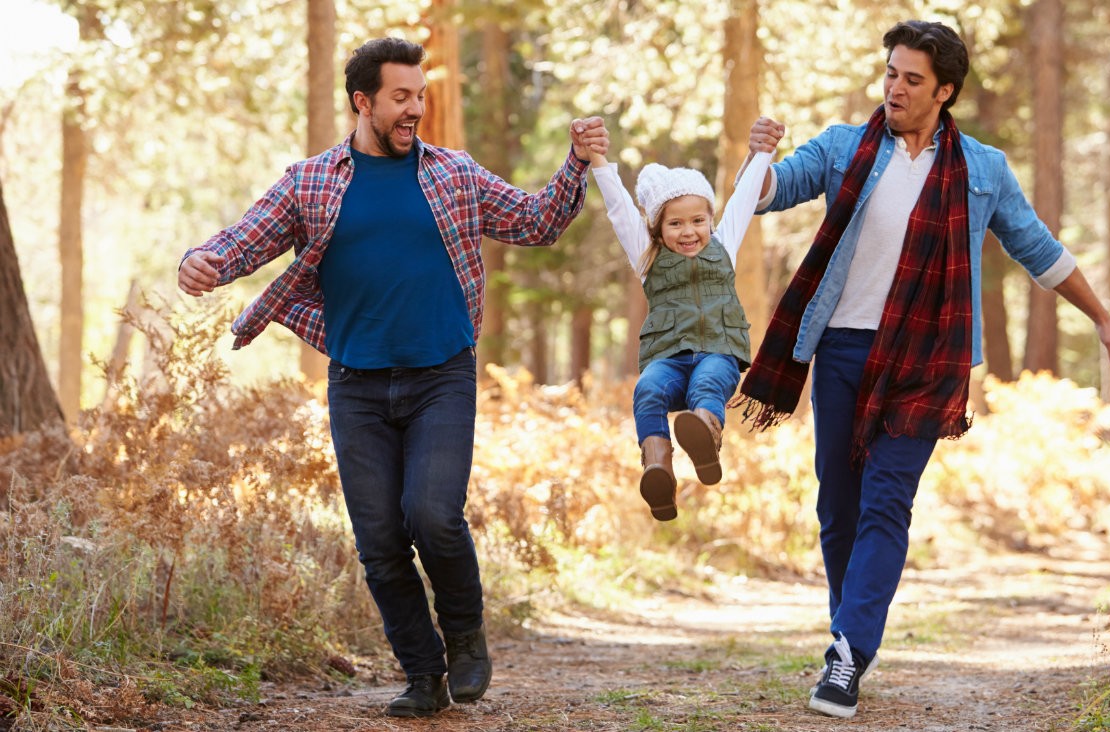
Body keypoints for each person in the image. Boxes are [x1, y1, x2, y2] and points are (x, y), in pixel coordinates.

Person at [177, 37, 608, 718]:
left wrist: (576, 163)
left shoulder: (454, 174)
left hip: (442, 375)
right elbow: (245, 238)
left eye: (421, 94)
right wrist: (201, 261)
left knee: (433, 517)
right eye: (402, 97)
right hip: (357, 385)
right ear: (363, 101)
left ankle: (466, 637)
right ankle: (422, 674)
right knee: (379, 542)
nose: (416, 109)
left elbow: (537, 222)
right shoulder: (312, 182)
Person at [732, 20, 1110, 720]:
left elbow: (1038, 248)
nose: (895, 87)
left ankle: (848, 658)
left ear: (945, 91)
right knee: (840, 504)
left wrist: (1101, 318)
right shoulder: (841, 148)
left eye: (912, 79)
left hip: (928, 356)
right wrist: (757, 160)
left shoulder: (982, 169)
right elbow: (771, 191)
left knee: (888, 502)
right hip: (844, 349)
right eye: (890, 73)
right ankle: (846, 637)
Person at [582, 121, 783, 521]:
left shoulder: (723, 243)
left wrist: (763, 152)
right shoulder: (647, 257)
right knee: (648, 390)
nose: (689, 231)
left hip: (718, 353)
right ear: (657, 229)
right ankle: (658, 469)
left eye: (697, 221)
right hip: (669, 360)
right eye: (675, 224)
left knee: (709, 381)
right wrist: (597, 157)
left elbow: (743, 199)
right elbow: (621, 209)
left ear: (710, 219)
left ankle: (705, 432)